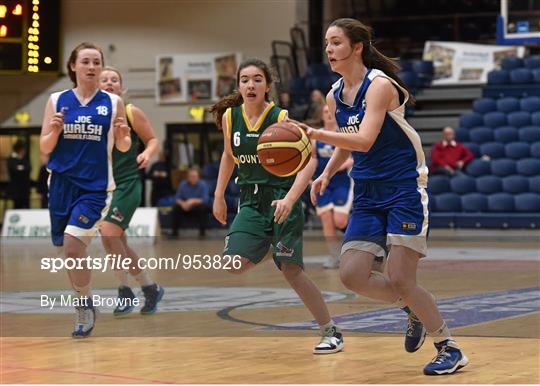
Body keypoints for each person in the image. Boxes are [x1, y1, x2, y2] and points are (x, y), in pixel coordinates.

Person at [300, 18, 468, 375]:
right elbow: (350, 143)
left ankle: (448, 346)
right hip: (367, 193)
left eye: (336, 43)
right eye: (326, 44)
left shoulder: (379, 86)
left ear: (356, 47)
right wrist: (327, 173)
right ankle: (414, 308)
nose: (329, 50)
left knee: (402, 278)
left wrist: (316, 133)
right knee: (352, 274)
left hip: (403, 189)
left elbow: (364, 139)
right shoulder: (334, 94)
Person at [209, 58, 344, 355]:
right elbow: (229, 155)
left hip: (283, 198)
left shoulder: (281, 117)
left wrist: (291, 198)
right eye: (245, 80)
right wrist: (218, 194)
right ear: (239, 86)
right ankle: (269, 245)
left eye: (257, 79)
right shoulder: (231, 118)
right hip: (250, 200)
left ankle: (330, 331)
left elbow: (310, 160)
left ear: (268, 85)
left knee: (291, 271)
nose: (251, 85)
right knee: (232, 265)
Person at [40, 42, 132, 338]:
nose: (92, 67)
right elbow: (44, 148)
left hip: (95, 189)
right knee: (67, 253)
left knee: (72, 245)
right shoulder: (57, 100)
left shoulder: (111, 102)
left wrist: (123, 137)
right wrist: (54, 131)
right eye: (86, 62)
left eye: (97, 62)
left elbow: (122, 146)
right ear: (73, 67)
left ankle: (82, 306)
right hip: (61, 185)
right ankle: (86, 299)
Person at [98, 67, 164, 316]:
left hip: (127, 184)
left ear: (120, 86)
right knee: (113, 239)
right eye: (104, 80)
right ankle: (149, 287)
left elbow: (153, 140)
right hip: (102, 186)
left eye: (114, 80)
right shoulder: (93, 116)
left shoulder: (130, 111)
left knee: (108, 232)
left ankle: (126, 291)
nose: (109, 83)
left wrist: (147, 153)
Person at [312, 104, 354, 269]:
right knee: (327, 221)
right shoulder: (316, 138)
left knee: (340, 220)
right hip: (323, 183)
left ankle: (363, 241)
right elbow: (312, 160)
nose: (328, 114)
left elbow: (355, 156)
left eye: (331, 111)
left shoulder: (343, 134)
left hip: (341, 181)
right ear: (322, 115)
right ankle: (335, 256)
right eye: (325, 112)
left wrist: (345, 163)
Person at [171, 166, 209, 237]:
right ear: (188, 177)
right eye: (191, 176)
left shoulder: (203, 185)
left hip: (197, 206)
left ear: (198, 177)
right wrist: (182, 204)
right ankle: (174, 233)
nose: (193, 178)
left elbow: (205, 200)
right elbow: (176, 198)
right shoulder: (183, 184)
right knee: (176, 208)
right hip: (185, 206)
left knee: (203, 208)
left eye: (195, 176)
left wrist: (192, 201)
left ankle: (202, 233)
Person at [7, 139, 31, 209]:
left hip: (25, 189)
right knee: (17, 206)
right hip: (16, 189)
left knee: (26, 207)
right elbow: (14, 170)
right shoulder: (11, 159)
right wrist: (21, 169)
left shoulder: (25, 159)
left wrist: (20, 168)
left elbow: (28, 168)